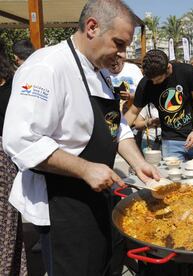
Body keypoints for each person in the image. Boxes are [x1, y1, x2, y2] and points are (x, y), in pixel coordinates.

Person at [3, 1, 160, 275]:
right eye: (119, 43)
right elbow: (21, 139)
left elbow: (116, 126)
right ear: (92, 27)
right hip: (61, 205)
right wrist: (85, 168)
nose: (122, 54)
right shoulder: (46, 66)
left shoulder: (99, 72)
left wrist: (138, 163)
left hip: (97, 198)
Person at [125, 49, 193, 160]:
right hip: (171, 141)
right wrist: (115, 133)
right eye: (151, 80)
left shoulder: (187, 71)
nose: (153, 83)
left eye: (157, 79)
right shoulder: (146, 84)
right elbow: (132, 112)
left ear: (168, 68)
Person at [0, 39, 28, 276]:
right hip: (6, 158)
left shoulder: (13, 86)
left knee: (6, 221)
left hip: (4, 159)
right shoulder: (12, 83)